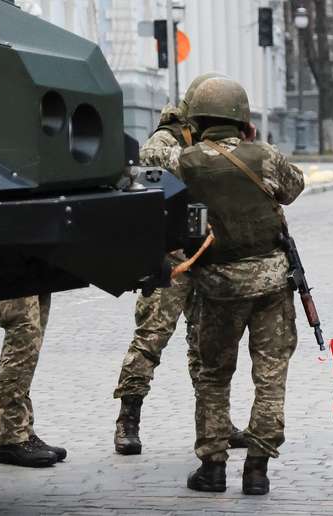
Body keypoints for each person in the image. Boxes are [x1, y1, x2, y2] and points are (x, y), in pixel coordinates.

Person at [175, 77, 304, 495]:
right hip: (271, 284)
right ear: (243, 120)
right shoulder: (262, 155)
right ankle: (257, 469)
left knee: (213, 375)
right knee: (270, 374)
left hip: (217, 287)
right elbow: (293, 186)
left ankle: (212, 468)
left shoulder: (186, 162)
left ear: (195, 121)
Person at [112, 73, 248, 455]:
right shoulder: (164, 143)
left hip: (204, 253)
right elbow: (192, 168)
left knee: (206, 344)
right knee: (152, 337)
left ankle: (215, 424)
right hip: (170, 258)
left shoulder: (206, 143)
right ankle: (128, 418)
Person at [0, 295, 67, 467]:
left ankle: (23, 431)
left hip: (37, 270)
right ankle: (8, 437)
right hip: (11, 272)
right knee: (23, 334)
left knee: (32, 340)